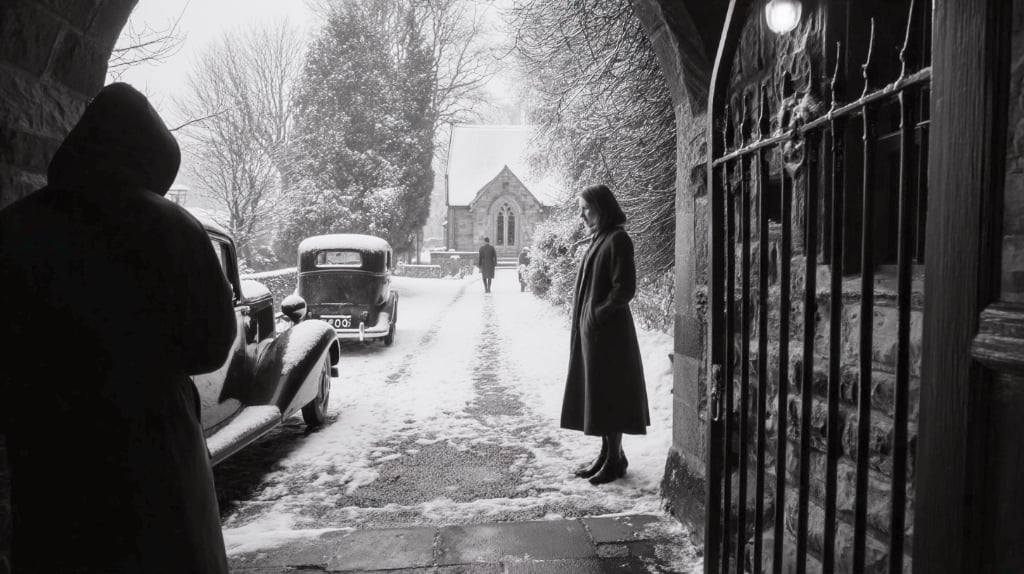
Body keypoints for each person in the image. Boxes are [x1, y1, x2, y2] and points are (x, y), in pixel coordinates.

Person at [0, 83, 237, 573]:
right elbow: (211, 347)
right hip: (155, 453)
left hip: (47, 452)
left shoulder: (14, 227)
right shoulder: (175, 228)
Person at [561, 183, 650, 485]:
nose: (581, 215)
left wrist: (597, 315)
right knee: (599, 395)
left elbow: (624, 289)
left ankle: (614, 460)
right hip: (595, 334)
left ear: (602, 208)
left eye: (585, 209)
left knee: (611, 395)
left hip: (610, 335)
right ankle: (608, 455)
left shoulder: (618, 239)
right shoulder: (600, 238)